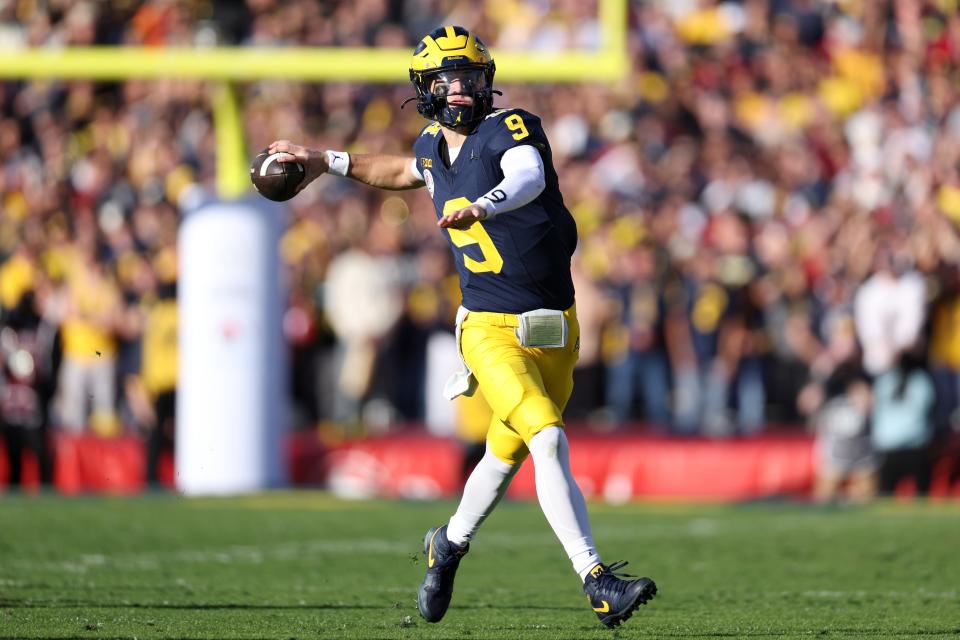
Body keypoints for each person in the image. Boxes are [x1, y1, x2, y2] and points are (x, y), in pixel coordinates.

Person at [268, 26, 656, 629]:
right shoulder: (430, 149)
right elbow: (401, 169)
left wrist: (486, 204)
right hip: (488, 329)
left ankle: (446, 544)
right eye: (449, 78)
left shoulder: (511, 128)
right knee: (547, 437)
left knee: (503, 458)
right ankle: (596, 579)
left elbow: (526, 175)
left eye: (472, 76)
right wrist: (325, 161)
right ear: (424, 88)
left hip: (558, 326)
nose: (463, 89)